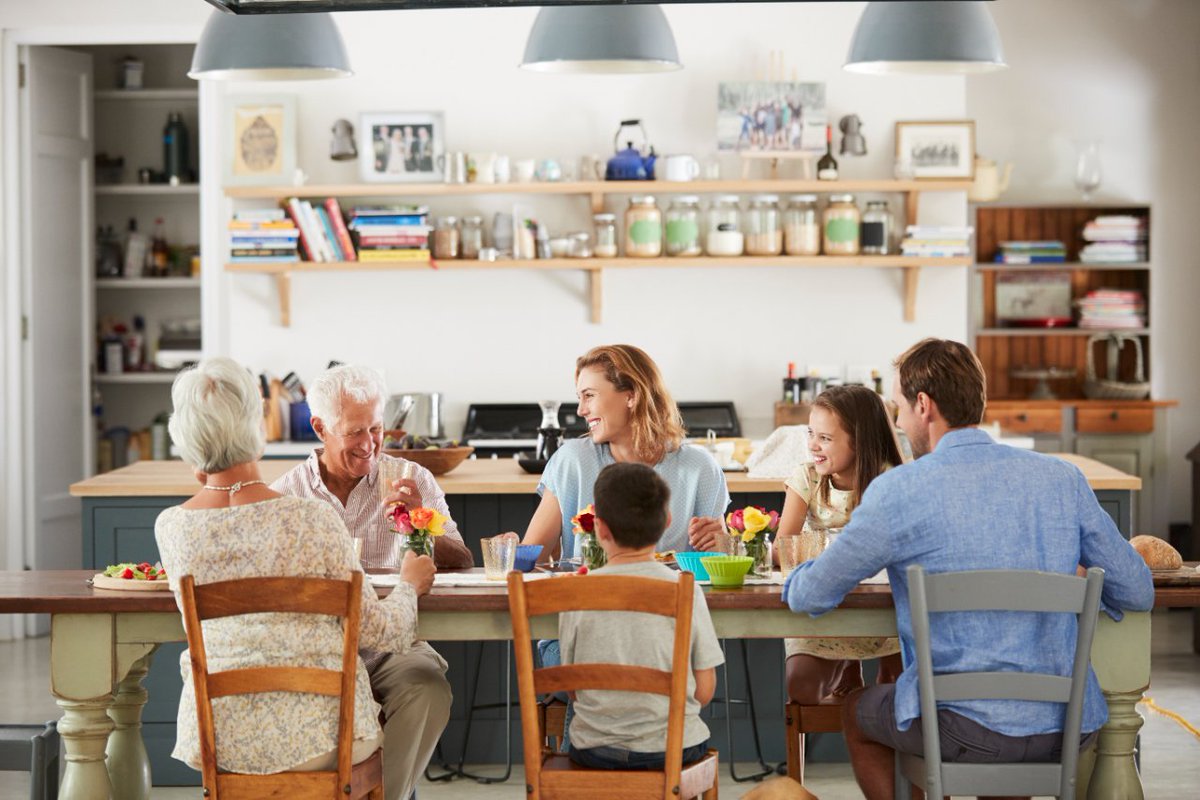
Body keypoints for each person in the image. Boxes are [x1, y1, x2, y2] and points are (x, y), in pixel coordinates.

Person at [782, 338, 1154, 800]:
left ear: (924, 405)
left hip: (957, 728)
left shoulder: (899, 490)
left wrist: (796, 569)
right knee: (993, 727)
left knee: (859, 709)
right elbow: (1138, 590)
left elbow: (811, 595)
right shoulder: (1062, 479)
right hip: (1064, 726)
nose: (897, 422)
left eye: (898, 407)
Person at [155, 357, 437, 779]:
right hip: (327, 736)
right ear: (256, 429)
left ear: (187, 438)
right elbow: (384, 632)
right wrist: (409, 586)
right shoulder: (310, 518)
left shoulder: (172, 528)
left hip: (222, 739)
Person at [272, 364, 471, 800]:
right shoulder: (285, 497)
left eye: (377, 428)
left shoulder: (411, 479)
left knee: (428, 688)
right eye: (354, 432)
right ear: (320, 428)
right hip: (318, 651)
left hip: (392, 644)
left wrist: (422, 523)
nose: (369, 444)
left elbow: (463, 558)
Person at [559, 462, 724, 770]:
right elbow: (704, 690)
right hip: (673, 747)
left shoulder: (577, 592)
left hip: (595, 749)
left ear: (599, 528)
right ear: (667, 522)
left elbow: (574, 691)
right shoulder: (685, 589)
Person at [522, 343, 730, 561]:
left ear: (631, 396)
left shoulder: (699, 466)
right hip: (588, 593)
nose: (581, 410)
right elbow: (531, 559)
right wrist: (509, 551)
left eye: (589, 395)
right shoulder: (572, 460)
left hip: (667, 593)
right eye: (580, 397)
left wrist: (722, 543)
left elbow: (718, 557)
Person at [775, 385, 904, 706]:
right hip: (824, 603)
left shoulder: (890, 480)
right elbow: (782, 548)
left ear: (859, 442)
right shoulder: (807, 478)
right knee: (802, 688)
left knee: (896, 689)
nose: (813, 446)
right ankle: (847, 661)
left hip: (882, 605)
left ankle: (866, 686)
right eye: (810, 434)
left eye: (825, 438)